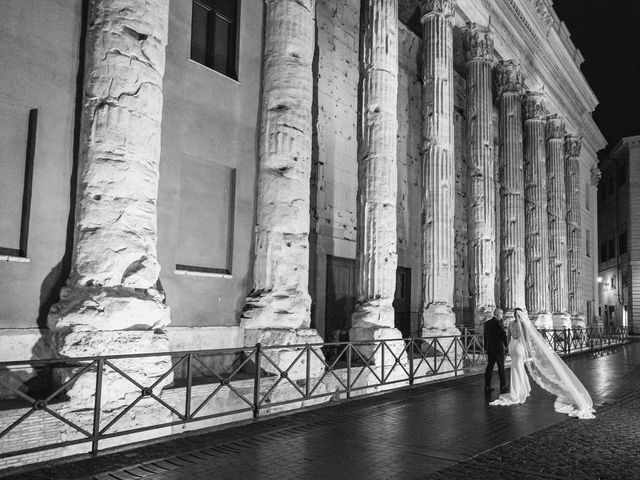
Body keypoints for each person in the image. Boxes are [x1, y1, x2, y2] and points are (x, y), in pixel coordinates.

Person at [490, 308, 595, 419]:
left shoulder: (511, 324)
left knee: (515, 368)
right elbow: (526, 339)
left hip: (512, 347)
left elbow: (508, 337)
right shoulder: (523, 325)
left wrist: (508, 348)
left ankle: (517, 390)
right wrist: (529, 350)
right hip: (520, 347)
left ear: (515, 315)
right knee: (520, 368)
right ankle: (521, 391)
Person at [484, 308, 508, 394]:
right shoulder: (499, 323)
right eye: (501, 314)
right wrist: (507, 346)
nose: (502, 315)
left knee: (489, 368)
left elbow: (485, 338)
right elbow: (503, 335)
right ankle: (503, 386)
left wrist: (485, 349)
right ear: (498, 314)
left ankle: (487, 386)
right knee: (501, 368)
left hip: (490, 349)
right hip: (498, 349)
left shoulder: (487, 323)